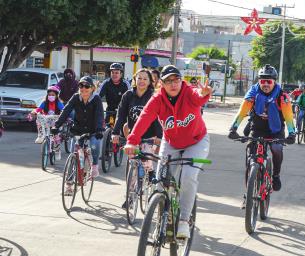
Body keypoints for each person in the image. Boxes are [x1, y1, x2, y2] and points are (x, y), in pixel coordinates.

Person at [124, 65, 212, 238]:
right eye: (168, 81)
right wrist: (132, 141)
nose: (173, 84)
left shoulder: (189, 92)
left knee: (187, 177)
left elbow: (199, 98)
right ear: (161, 84)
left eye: (176, 80)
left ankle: (184, 221)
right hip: (171, 143)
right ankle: (161, 220)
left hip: (197, 142)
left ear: (181, 81)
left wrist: (204, 93)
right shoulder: (157, 99)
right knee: (160, 182)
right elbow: (144, 118)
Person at [228, 64, 296, 199]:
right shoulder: (252, 94)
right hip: (258, 128)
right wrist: (233, 128)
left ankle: (275, 176)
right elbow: (242, 112)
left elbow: (288, 117)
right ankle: (248, 191)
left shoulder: (282, 96)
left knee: (276, 149)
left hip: (276, 129)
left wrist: (292, 133)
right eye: (262, 81)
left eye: (269, 81)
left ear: (274, 82)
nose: (265, 84)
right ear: (258, 81)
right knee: (250, 153)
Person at [112, 69, 163, 209]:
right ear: (135, 79)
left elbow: (158, 118)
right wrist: (115, 133)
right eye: (139, 78)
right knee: (133, 166)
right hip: (133, 136)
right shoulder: (128, 95)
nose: (141, 81)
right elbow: (121, 115)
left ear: (150, 82)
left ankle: (150, 174)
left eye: (145, 79)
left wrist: (159, 136)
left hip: (149, 135)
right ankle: (130, 197)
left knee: (146, 159)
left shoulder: (153, 96)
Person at [52, 76, 104, 184]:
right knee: (74, 153)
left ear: (92, 88)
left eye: (87, 86)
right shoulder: (75, 97)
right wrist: (56, 126)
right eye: (81, 86)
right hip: (77, 130)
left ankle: (94, 165)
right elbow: (66, 111)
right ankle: (69, 181)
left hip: (93, 130)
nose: (83, 88)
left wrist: (99, 129)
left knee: (95, 144)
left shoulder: (96, 99)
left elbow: (99, 115)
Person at [32, 86, 64, 161]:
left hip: (55, 122)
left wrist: (63, 115)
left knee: (56, 136)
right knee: (38, 120)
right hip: (46, 121)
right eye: (49, 95)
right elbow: (39, 108)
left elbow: (63, 109)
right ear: (47, 95)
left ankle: (57, 151)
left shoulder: (58, 103)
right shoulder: (44, 102)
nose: (51, 96)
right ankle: (40, 135)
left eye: (53, 95)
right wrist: (35, 112)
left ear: (56, 96)